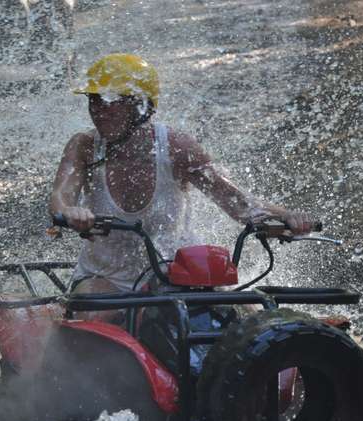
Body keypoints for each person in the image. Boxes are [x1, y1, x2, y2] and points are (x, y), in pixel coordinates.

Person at [49, 53, 314, 304]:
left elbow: (239, 204)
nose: (97, 110)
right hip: (104, 279)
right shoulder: (83, 146)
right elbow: (60, 197)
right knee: (94, 314)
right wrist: (69, 212)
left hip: (178, 274)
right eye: (92, 100)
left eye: (108, 100)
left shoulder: (177, 148)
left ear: (139, 106)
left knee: (231, 320)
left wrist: (287, 216)